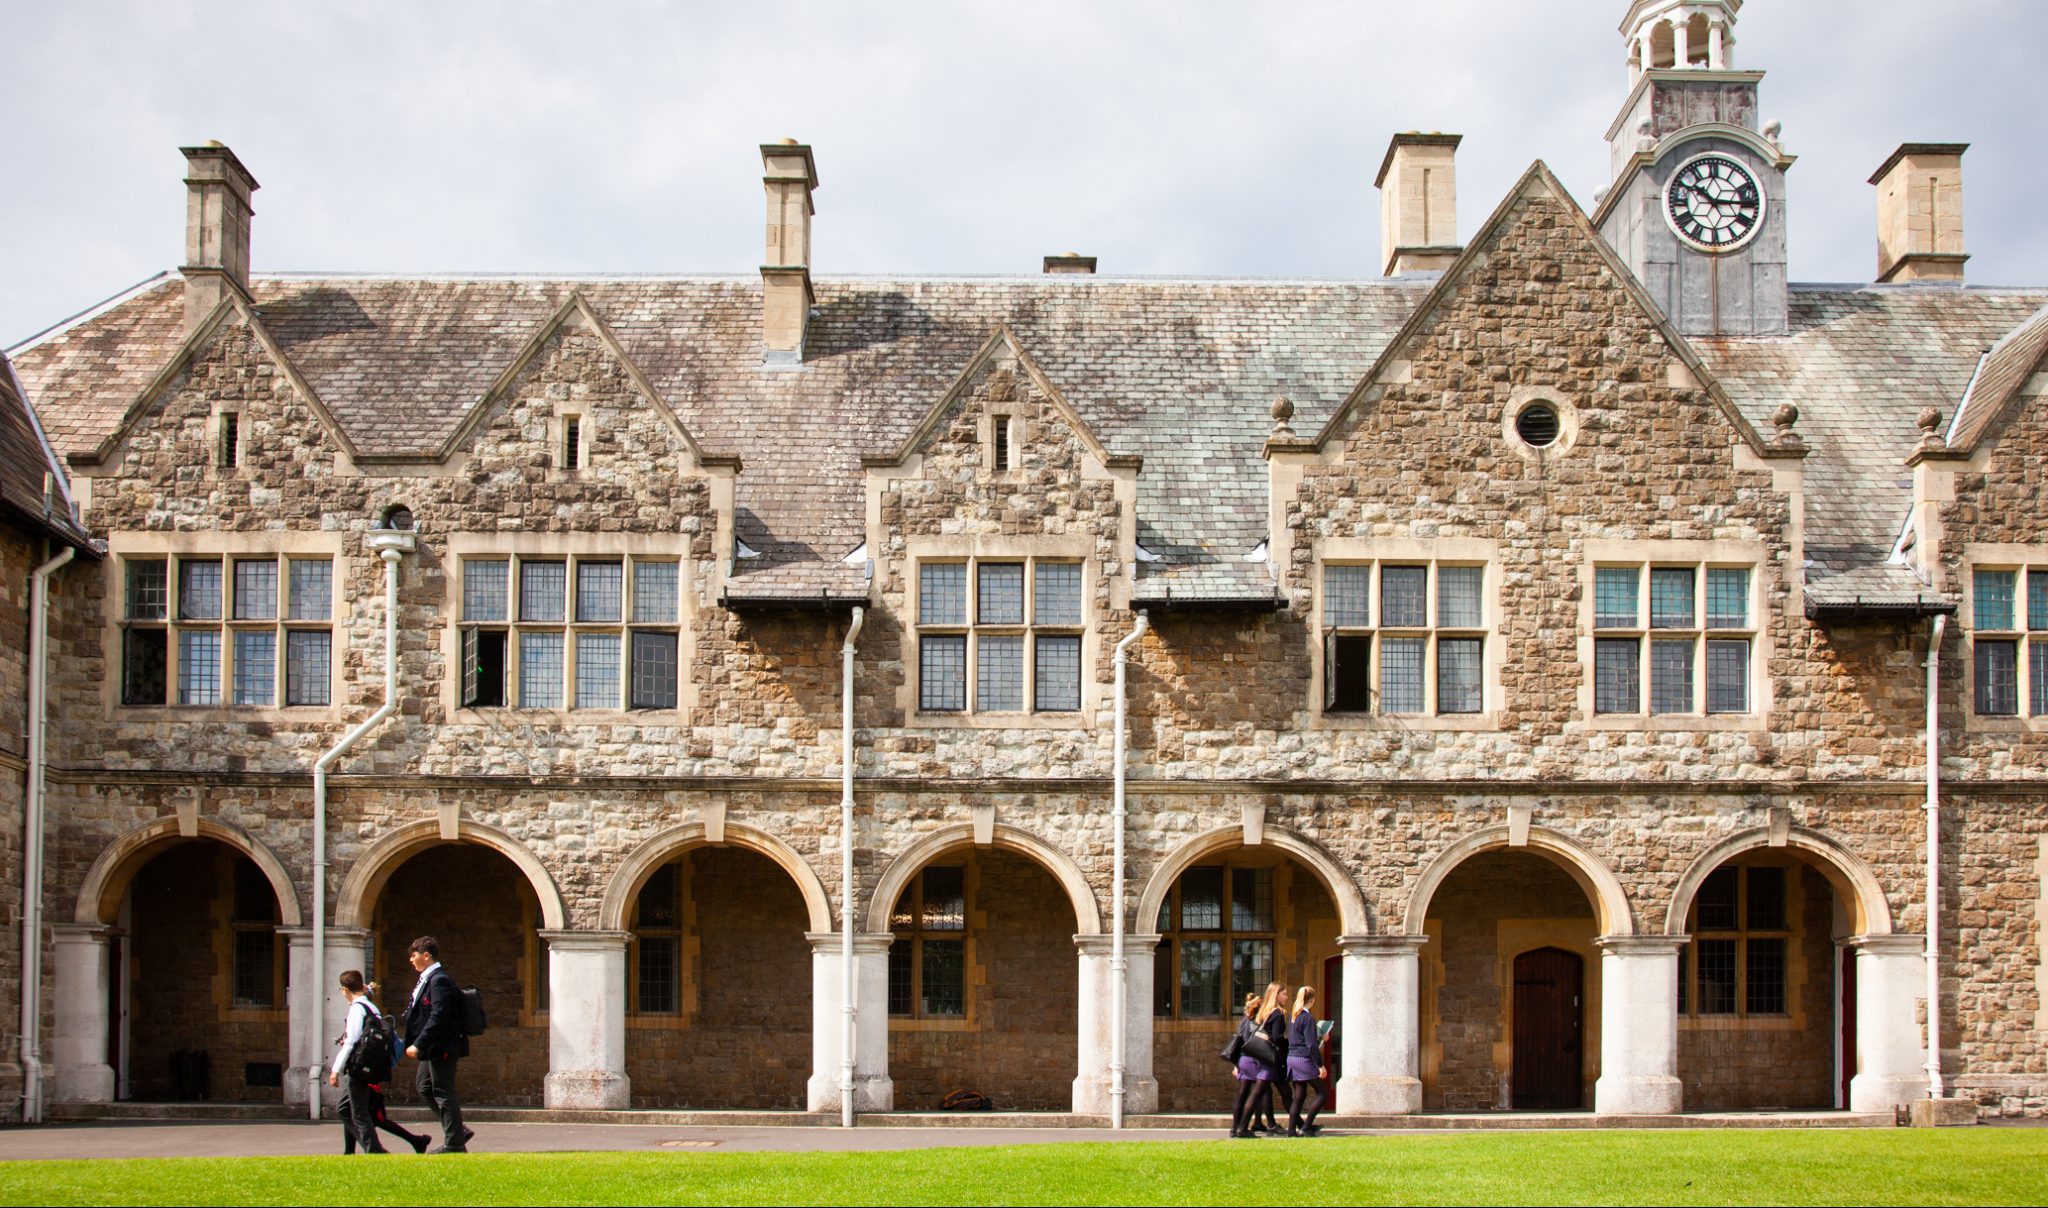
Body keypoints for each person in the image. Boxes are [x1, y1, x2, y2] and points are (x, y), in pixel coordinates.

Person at [328, 970, 429, 1154]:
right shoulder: (371, 1008)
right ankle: (355, 1151)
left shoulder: (357, 1009)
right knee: (348, 1108)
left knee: (358, 1112)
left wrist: (336, 1069)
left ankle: (374, 1149)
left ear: (345, 989)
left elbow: (351, 1042)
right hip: (372, 1064)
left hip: (359, 1065)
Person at [402, 936, 474, 1154]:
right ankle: (458, 1130)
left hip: (441, 1045)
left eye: (414, 955)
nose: (411, 960)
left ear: (426, 955)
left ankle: (455, 1144)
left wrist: (419, 1043)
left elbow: (439, 1014)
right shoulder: (428, 979)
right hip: (433, 1046)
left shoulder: (438, 979)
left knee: (443, 1091)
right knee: (424, 1086)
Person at [1284, 985, 1327, 1137]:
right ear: (1312, 1000)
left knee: (1299, 1095)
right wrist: (1320, 1065)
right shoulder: (1308, 1018)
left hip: (1292, 1058)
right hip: (1303, 1059)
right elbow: (1311, 1044)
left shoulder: (1293, 1016)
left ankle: (1291, 1131)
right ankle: (1306, 1127)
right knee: (1323, 1092)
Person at [1227, 994, 1263, 1138]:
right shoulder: (1260, 1022)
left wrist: (1237, 1065)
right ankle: (1244, 1127)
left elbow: (1239, 1040)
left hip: (1243, 1059)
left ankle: (1234, 1128)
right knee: (1260, 1092)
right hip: (1255, 1059)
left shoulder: (1245, 1021)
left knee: (1242, 1094)